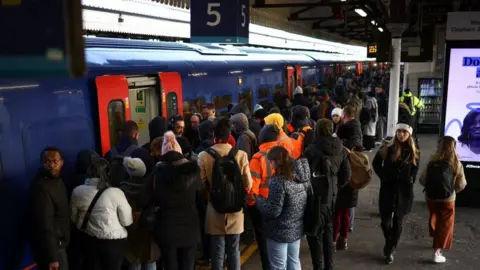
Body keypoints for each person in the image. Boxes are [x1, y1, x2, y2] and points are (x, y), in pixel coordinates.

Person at [198, 117, 253, 270]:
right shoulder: (241, 155)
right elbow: (248, 183)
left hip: (214, 208)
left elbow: (201, 184)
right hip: (235, 209)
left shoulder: (203, 156)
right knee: (234, 250)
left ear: (214, 137)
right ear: (229, 137)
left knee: (217, 251)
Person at [303, 119, 351, 270]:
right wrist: (335, 186)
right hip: (332, 197)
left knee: (314, 235)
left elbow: (303, 174)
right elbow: (346, 174)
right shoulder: (341, 148)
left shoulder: (311, 149)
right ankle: (329, 267)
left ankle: (318, 267)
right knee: (328, 232)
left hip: (315, 198)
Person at [153, 131, 204, 270]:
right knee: (188, 265)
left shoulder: (157, 172)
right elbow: (201, 197)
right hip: (190, 227)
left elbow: (148, 197)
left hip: (166, 228)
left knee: (169, 265)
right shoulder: (193, 170)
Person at [71, 158, 133, 270]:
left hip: (88, 240)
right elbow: (127, 221)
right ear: (108, 173)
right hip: (113, 244)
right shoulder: (116, 192)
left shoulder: (77, 191)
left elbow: (73, 218)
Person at [372, 120, 419, 265]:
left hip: (404, 191)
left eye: (404, 132)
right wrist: (383, 176)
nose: (401, 134)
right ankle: (389, 243)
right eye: (399, 131)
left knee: (398, 223)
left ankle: (390, 249)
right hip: (387, 188)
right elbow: (375, 163)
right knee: (385, 222)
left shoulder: (413, 150)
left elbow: (415, 167)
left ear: (409, 134)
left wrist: (411, 178)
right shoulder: (387, 147)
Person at [255, 146, 309, 270]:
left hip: (279, 231)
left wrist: (259, 200)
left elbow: (273, 211)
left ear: (277, 162)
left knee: (278, 266)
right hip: (296, 229)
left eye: (271, 161)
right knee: (294, 262)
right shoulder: (301, 178)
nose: (270, 164)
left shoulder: (278, 182)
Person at [419, 136, 467, 263]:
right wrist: (451, 191)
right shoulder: (456, 163)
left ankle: (435, 236)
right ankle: (437, 252)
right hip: (448, 200)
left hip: (431, 198)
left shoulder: (432, 161)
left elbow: (422, 180)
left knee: (434, 215)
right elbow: (462, 184)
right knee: (445, 224)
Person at [29, 147, 70, 270]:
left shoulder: (57, 181)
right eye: (47, 162)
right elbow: (44, 224)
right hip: (52, 250)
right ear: (42, 164)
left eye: (55, 161)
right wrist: (52, 257)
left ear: (61, 162)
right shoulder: (41, 187)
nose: (52, 165)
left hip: (59, 243)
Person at [247, 124, 281, 270]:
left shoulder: (258, 158)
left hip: (262, 205)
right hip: (281, 203)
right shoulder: (284, 153)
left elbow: (252, 187)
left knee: (263, 241)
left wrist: (251, 204)